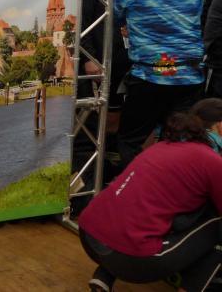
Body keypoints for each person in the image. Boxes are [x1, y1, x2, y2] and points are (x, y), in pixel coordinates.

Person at [79, 111, 222, 292]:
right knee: (216, 225)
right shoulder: (211, 160)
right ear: (216, 127)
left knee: (142, 210)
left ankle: (104, 276)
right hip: (131, 259)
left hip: (89, 236)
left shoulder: (160, 147)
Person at [114, 0, 204, 168]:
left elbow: (118, 18)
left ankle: (140, 187)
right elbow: (195, 14)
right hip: (188, 75)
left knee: (130, 140)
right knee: (182, 144)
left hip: (149, 75)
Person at [72, 0, 139, 215]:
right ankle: (90, 186)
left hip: (132, 68)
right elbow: (82, 25)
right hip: (100, 66)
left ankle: (114, 181)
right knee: (96, 125)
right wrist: (89, 59)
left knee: (123, 124)